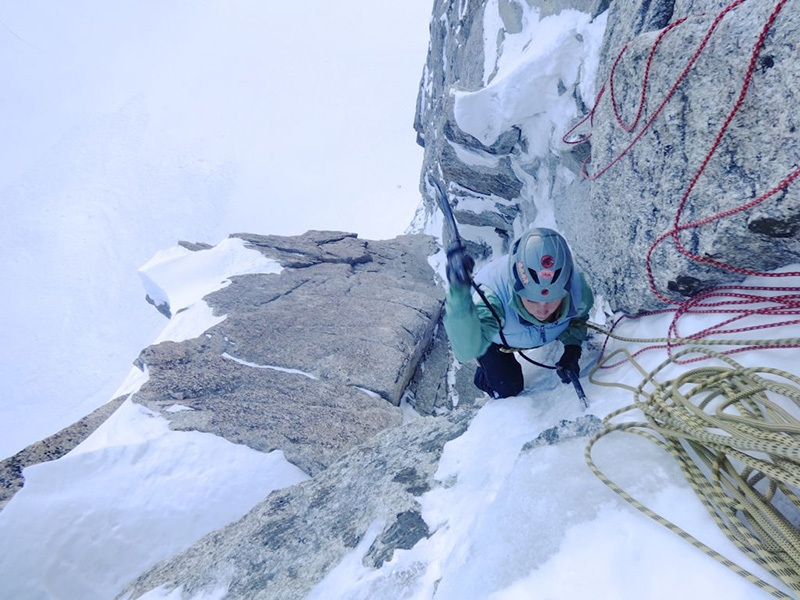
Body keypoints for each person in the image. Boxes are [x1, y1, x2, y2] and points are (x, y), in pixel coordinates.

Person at [443, 227, 594, 398]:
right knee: (507, 389)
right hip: (495, 337)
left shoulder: (579, 293)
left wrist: (572, 350)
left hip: (517, 331)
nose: (542, 310)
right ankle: (484, 375)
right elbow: (467, 349)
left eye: (552, 300)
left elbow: (578, 319)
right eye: (531, 300)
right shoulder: (492, 302)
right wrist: (459, 293)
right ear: (516, 288)